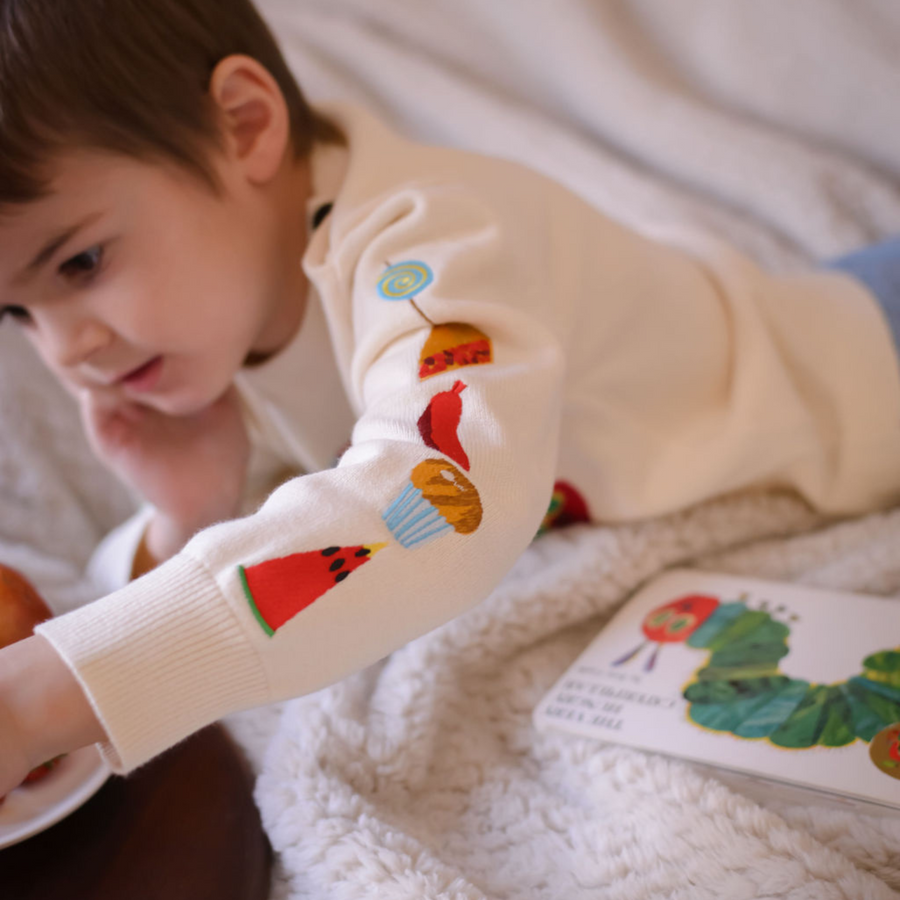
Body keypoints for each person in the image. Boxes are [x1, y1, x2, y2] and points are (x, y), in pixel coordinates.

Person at [1, 0, 899, 797]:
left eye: (80, 263)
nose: (67, 347)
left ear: (242, 124)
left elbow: (431, 495)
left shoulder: (430, 240)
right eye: (17, 313)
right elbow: (288, 538)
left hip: (862, 370)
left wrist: (47, 695)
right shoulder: (223, 306)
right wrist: (186, 508)